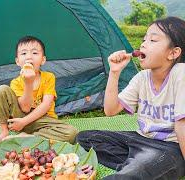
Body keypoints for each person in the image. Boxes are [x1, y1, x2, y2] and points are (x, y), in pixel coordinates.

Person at [76, 16, 185, 179]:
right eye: (144, 39)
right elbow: (110, 111)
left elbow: (181, 124)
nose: (143, 44)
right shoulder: (141, 77)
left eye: (153, 40)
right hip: (139, 139)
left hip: (169, 147)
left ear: (173, 53)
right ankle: (140, 165)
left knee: (131, 175)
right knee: (85, 138)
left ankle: (140, 167)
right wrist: (114, 72)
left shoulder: (180, 74)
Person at [0, 36, 78, 146]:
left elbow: (46, 105)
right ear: (17, 61)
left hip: (43, 120)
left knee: (72, 133)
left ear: (43, 60)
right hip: (21, 117)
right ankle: (4, 132)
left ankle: (28, 137)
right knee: (1, 90)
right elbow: (25, 108)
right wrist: (28, 83)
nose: (29, 57)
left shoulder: (49, 77)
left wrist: (23, 122)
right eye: (24, 54)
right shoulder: (16, 82)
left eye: (34, 53)